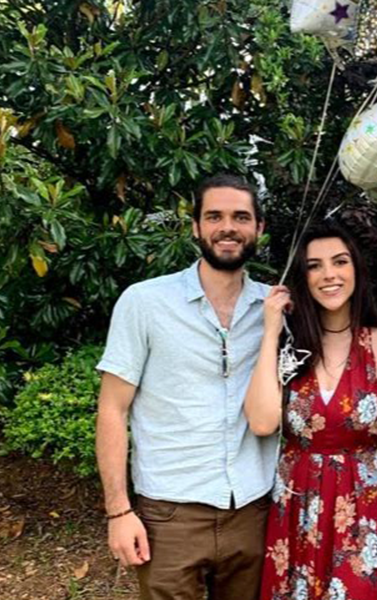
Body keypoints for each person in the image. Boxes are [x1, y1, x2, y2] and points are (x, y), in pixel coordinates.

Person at [95, 174, 275, 600]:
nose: (227, 227)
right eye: (214, 216)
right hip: (170, 515)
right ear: (195, 226)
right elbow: (112, 409)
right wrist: (118, 511)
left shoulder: (275, 307)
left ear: (259, 229)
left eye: (240, 217)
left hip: (254, 509)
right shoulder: (144, 302)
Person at [244, 220, 377, 600]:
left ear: (357, 269)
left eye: (340, 261)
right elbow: (262, 421)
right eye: (314, 266)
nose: (329, 275)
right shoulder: (289, 346)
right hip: (297, 505)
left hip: (364, 505)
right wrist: (271, 330)